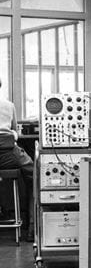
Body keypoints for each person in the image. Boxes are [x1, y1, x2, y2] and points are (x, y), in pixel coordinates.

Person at [0, 79, 34, 241]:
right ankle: (32, 228)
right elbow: (15, 131)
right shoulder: (8, 105)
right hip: (8, 154)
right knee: (35, 176)